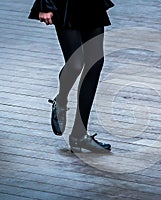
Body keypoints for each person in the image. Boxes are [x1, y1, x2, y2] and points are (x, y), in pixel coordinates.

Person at [28, 0, 114, 152]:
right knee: (75, 64)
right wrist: (44, 4)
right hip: (64, 4)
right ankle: (61, 99)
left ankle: (79, 135)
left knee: (95, 64)